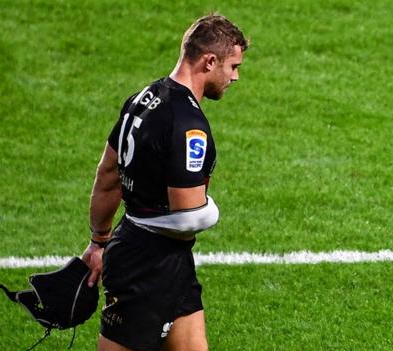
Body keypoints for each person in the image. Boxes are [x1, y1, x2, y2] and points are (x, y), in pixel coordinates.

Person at [82, 13, 248, 351]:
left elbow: (107, 173)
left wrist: (99, 240)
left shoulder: (143, 98)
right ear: (209, 61)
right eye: (232, 67)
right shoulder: (187, 124)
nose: (236, 77)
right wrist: (212, 212)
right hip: (147, 264)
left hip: (163, 256)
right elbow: (188, 213)